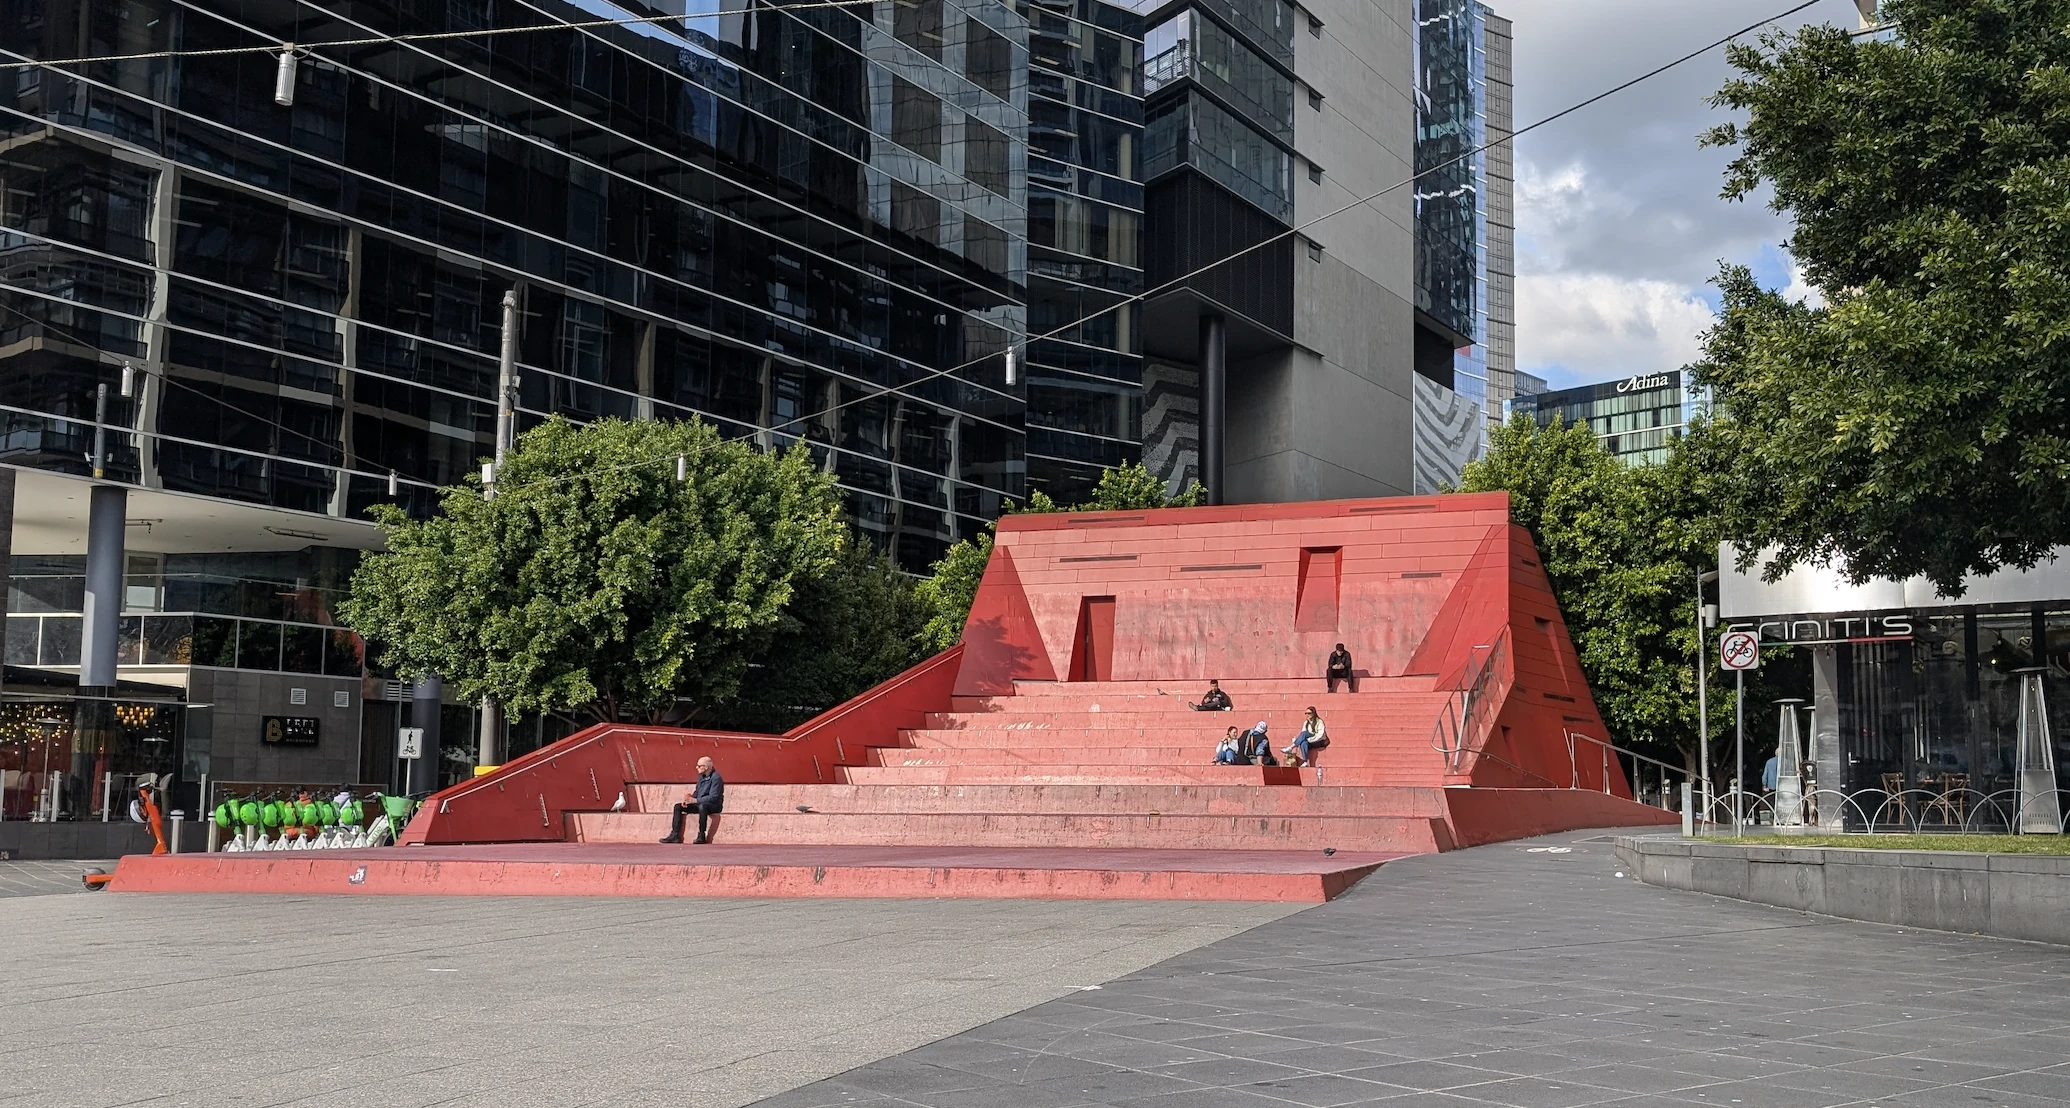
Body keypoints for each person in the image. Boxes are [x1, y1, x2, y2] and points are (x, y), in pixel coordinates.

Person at [660, 756, 725, 844]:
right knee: (678, 807)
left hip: (713, 805)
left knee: (702, 807)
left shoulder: (716, 778)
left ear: (706, 767)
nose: (696, 768)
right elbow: (697, 791)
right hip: (700, 802)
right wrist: (689, 800)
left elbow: (713, 797)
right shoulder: (701, 776)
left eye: (699, 766)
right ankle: (675, 835)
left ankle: (701, 835)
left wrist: (696, 801)